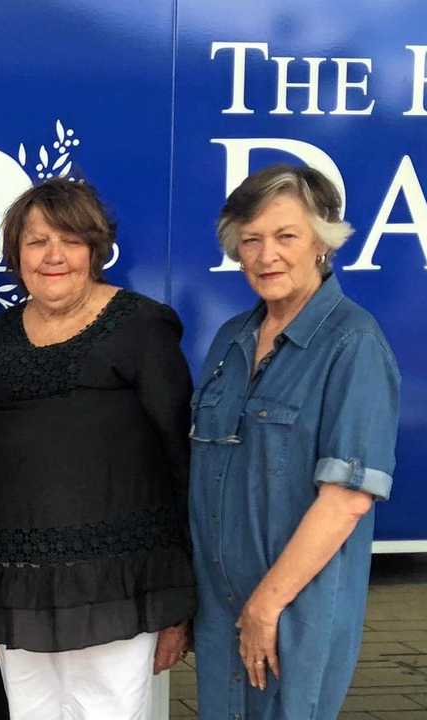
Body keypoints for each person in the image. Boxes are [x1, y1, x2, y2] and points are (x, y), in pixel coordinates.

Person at [0, 178, 195, 719]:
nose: (54, 255)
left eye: (70, 239)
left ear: (96, 248)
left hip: (118, 581)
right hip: (15, 583)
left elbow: (180, 458)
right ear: (16, 254)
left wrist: (178, 599)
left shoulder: (141, 326)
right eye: (37, 241)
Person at [190, 164, 400, 719]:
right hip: (222, 614)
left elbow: (347, 499)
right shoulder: (230, 339)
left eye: (286, 237)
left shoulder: (354, 345)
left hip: (293, 614)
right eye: (251, 240)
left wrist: (266, 605)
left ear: (322, 244)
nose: (266, 256)